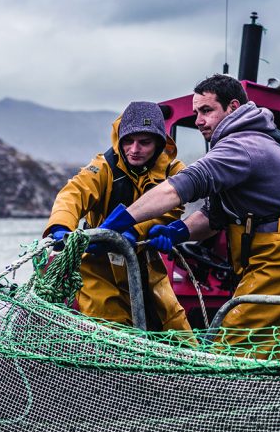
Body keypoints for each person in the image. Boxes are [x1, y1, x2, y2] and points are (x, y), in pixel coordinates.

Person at [96, 75, 280, 352]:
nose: (199, 120)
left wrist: (117, 223)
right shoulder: (257, 139)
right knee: (275, 347)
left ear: (233, 107)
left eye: (207, 111)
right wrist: (178, 232)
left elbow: (181, 187)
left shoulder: (242, 145)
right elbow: (216, 215)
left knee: (231, 347)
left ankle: (220, 395)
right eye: (196, 112)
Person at [43, 101, 191, 332]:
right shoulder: (103, 167)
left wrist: (143, 231)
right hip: (97, 267)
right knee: (110, 331)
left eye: (144, 142)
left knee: (176, 331)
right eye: (128, 141)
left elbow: (172, 210)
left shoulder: (174, 171)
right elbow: (73, 194)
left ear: (159, 143)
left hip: (146, 263)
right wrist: (61, 227)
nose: (134, 149)